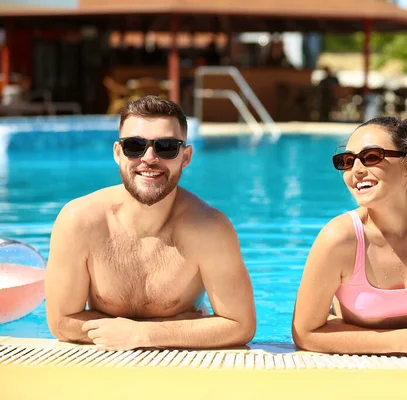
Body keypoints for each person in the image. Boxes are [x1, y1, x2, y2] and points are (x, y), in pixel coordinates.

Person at [45, 95, 256, 351]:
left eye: (166, 146)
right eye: (134, 145)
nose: (149, 158)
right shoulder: (79, 221)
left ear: (186, 157)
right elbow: (61, 322)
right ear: (118, 153)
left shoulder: (210, 229)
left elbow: (240, 325)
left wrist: (144, 334)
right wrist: (171, 329)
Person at [292, 116, 407, 358]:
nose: (356, 171)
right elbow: (304, 333)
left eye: (371, 157)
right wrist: (402, 341)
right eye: (348, 161)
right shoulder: (339, 238)